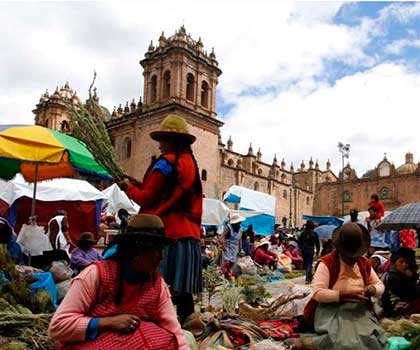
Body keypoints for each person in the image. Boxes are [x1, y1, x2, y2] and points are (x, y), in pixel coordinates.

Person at [48, 214, 188, 350]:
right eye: (155, 251)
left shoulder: (156, 284)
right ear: (136, 250)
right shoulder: (95, 275)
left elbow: (173, 329)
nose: (161, 257)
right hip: (90, 345)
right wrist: (106, 323)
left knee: (164, 337)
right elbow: (58, 326)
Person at [120, 114, 203, 324]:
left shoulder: (165, 163)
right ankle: (186, 328)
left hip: (166, 234)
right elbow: (169, 191)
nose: (159, 145)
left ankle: (154, 327)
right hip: (189, 234)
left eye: (162, 140)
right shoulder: (189, 163)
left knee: (157, 285)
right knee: (183, 291)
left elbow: (147, 198)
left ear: (171, 140)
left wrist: (128, 189)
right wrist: (139, 183)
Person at [291, 223, 387, 350]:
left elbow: (379, 285)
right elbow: (318, 293)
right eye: (349, 255)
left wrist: (373, 289)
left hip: (359, 310)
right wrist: (342, 295)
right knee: (343, 340)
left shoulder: (363, 263)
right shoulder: (328, 263)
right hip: (332, 309)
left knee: (372, 339)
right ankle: (309, 343)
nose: (353, 259)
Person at [381, 250, 420, 317]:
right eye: (401, 262)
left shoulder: (398, 275)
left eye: (406, 262)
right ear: (393, 264)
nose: (404, 264)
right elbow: (412, 295)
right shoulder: (393, 278)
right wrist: (411, 278)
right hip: (395, 310)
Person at [220, 214, 245, 279]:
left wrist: (240, 247)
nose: (239, 223)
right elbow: (223, 236)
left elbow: (240, 239)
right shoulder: (229, 227)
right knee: (226, 262)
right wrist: (223, 245)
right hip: (228, 247)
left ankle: (228, 275)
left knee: (232, 262)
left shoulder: (240, 229)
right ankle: (220, 274)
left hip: (235, 248)